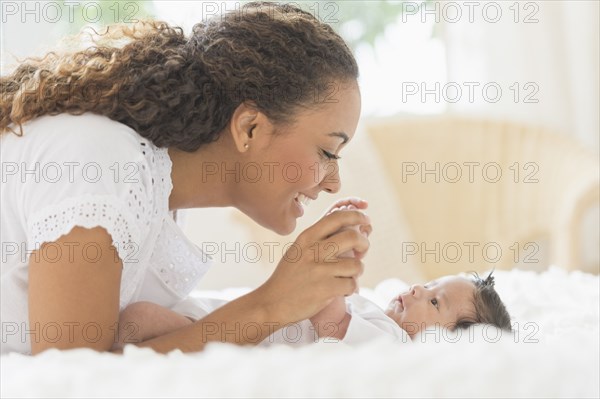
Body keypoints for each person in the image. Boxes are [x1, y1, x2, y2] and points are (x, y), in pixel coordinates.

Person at [0, 2, 372, 355]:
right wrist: (268, 305)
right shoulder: (102, 164)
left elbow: (125, 356)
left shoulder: (157, 191)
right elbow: (69, 380)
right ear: (250, 128)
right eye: (327, 153)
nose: (333, 182)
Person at [113, 211, 512, 348]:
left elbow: (331, 321)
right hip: (233, 326)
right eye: (430, 284)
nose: (418, 289)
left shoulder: (388, 343)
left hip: (228, 337)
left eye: (435, 302)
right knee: (144, 315)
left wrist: (337, 258)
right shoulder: (380, 321)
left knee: (140, 318)